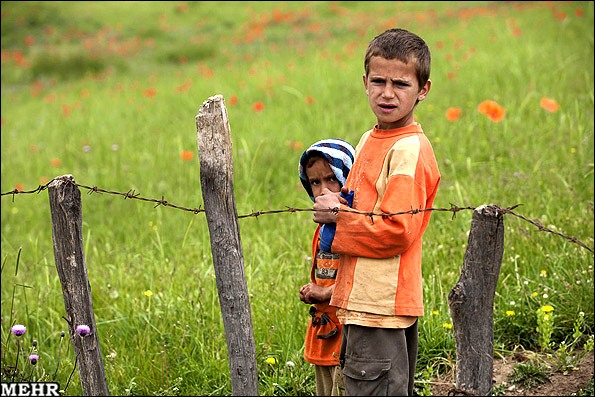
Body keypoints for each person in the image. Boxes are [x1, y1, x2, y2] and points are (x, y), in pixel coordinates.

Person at [312, 28, 441, 396]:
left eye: (401, 83)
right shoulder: (371, 138)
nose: (387, 93)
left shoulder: (408, 150)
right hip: (361, 300)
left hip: (381, 308)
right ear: (364, 81)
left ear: (423, 90)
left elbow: (397, 229)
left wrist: (337, 215)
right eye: (379, 81)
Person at [298, 138, 356, 396]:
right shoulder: (321, 230)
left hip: (349, 335)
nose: (323, 190)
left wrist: (324, 293)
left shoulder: (356, 228)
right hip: (325, 331)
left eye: (332, 179)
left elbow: (359, 276)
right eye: (315, 182)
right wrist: (313, 291)